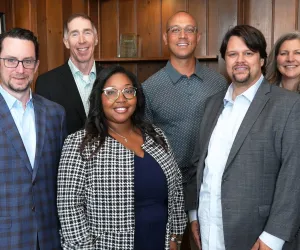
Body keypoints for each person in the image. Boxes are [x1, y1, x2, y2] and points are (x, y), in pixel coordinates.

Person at [186, 24, 300, 250]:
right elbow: (197, 164)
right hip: (209, 229)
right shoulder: (211, 105)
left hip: (257, 236)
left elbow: (294, 176)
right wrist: (193, 215)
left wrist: (273, 238)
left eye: (248, 53)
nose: (240, 60)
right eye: (232, 54)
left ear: (261, 60)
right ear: (224, 60)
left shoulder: (288, 105)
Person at [57, 65, 186, 250]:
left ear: (137, 96)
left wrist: (176, 237)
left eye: (128, 91)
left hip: (160, 242)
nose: (121, 99)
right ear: (99, 98)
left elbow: (176, 191)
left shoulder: (157, 136)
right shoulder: (80, 144)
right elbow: (69, 208)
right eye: (111, 92)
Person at [142, 11, 227, 249]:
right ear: (165, 37)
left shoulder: (218, 83)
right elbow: (145, 145)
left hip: (210, 187)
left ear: (198, 37)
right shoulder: (149, 88)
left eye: (189, 29)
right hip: (167, 191)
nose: (182, 35)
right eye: (175, 30)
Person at [0, 28, 66, 249]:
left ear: (37, 66)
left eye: (27, 61)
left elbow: (60, 179)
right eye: (11, 60)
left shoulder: (56, 113)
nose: (20, 69)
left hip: (49, 237)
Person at [35, 13, 102, 135]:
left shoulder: (112, 78)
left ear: (96, 39)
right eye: (74, 34)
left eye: (87, 32)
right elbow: (46, 134)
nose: (82, 40)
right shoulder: (46, 83)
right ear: (66, 42)